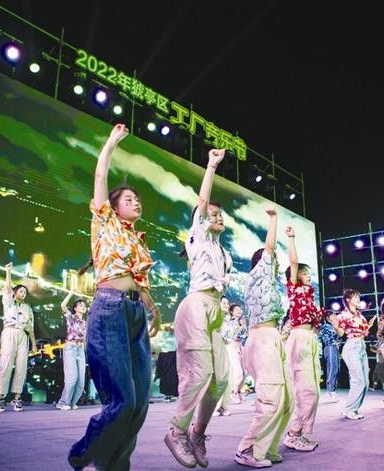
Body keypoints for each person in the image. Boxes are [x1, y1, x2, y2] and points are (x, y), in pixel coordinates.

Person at [69, 124, 161, 471]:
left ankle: (116, 465)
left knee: (140, 403)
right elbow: (99, 175)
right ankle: (84, 451)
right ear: (113, 206)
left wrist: (152, 309)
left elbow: (140, 280)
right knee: (122, 401)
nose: (135, 202)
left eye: (137, 199)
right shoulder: (103, 222)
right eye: (128, 199)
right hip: (109, 307)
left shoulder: (138, 238)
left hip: (135, 312)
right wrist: (110, 143)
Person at [165, 148, 231, 469]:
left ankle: (197, 433)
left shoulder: (224, 253)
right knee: (199, 373)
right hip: (195, 307)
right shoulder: (199, 237)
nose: (217, 218)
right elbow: (203, 203)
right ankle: (176, 431)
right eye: (213, 214)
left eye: (221, 215)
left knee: (221, 379)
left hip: (215, 311)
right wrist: (211, 165)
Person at [234, 207, 292, 468]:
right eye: (273, 260)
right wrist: (273, 220)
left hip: (272, 339)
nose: (276, 263)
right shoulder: (258, 275)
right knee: (270, 399)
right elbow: (269, 249)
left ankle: (267, 447)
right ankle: (247, 449)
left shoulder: (269, 285)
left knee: (287, 400)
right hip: (262, 341)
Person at [282, 225, 324, 453]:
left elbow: (317, 322)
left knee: (313, 391)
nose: (308, 276)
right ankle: (293, 434)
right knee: (306, 391)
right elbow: (294, 261)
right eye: (305, 273)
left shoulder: (310, 297)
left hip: (310, 340)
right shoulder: (294, 289)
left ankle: (298, 432)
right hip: (299, 339)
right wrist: (291, 238)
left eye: (308, 273)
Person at [0, 262, 37, 413]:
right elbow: (7, 288)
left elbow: (30, 327)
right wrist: (8, 272)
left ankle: (17, 398)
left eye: (25, 292)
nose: (23, 293)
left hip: (23, 336)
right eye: (21, 291)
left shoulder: (28, 308)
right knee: (6, 365)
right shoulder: (8, 302)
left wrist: (34, 344)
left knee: (21, 367)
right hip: (9, 332)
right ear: (15, 293)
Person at [332, 289, 377, 420]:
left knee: (366, 382)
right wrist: (335, 325)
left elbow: (363, 332)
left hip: (361, 346)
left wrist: (369, 325)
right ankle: (349, 410)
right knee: (359, 381)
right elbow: (341, 333)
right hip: (351, 347)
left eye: (359, 297)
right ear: (348, 300)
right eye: (355, 297)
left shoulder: (360, 315)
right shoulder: (343, 315)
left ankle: (354, 409)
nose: (358, 299)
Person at [56, 291, 88, 411]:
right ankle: (63, 402)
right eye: (80, 305)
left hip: (80, 349)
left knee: (81, 381)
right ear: (75, 308)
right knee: (72, 378)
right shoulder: (71, 317)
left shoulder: (85, 323)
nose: (83, 307)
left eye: (84, 305)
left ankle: (72, 402)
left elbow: (85, 339)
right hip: (70, 348)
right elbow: (63, 306)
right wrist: (71, 293)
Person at [215, 303, 246, 416]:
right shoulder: (225, 320)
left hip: (238, 346)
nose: (226, 305)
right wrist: (241, 327)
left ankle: (223, 406)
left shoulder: (238, 321)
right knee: (234, 373)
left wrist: (242, 327)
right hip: (228, 347)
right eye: (223, 303)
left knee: (240, 374)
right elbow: (229, 336)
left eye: (227, 303)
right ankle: (233, 393)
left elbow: (243, 335)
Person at [317, 311, 341, 403]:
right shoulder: (325, 326)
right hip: (330, 347)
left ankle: (331, 389)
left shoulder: (335, 326)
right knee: (332, 368)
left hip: (335, 348)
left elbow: (339, 336)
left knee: (336, 368)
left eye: (335, 314)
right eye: (332, 315)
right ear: (327, 318)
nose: (335, 316)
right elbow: (320, 335)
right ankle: (331, 390)